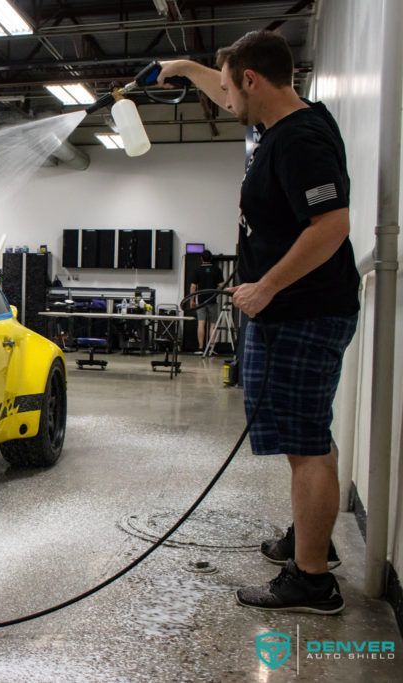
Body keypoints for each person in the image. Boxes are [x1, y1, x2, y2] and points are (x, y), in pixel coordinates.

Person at [159, 30, 360, 615]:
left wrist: (266, 286)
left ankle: (312, 580)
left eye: (228, 85)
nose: (223, 99)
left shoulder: (299, 140)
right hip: (298, 310)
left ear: (251, 79)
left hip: (302, 311)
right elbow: (229, 94)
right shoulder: (284, 123)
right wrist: (185, 67)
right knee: (310, 439)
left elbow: (331, 227)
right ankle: (310, 539)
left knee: (305, 446)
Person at [189, 250, 222, 354]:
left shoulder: (197, 270)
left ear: (201, 259)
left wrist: (192, 300)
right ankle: (211, 349)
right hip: (212, 300)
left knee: (201, 323)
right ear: (211, 258)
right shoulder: (216, 270)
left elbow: (193, 286)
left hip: (201, 301)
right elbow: (221, 285)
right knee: (213, 324)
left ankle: (200, 348)